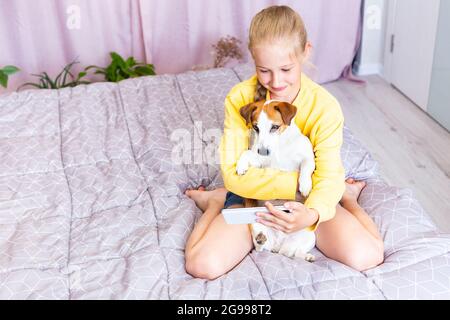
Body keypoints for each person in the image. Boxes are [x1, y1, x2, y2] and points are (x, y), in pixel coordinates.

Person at [184, 5, 384, 280]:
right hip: (253, 199)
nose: (275, 82)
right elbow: (232, 175)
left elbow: (326, 174)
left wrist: (312, 213)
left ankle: (350, 200)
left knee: (368, 255)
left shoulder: (325, 107)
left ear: (306, 52)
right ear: (253, 60)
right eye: (264, 70)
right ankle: (214, 203)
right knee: (201, 265)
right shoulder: (239, 98)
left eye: (286, 68)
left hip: (310, 200)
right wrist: (294, 186)